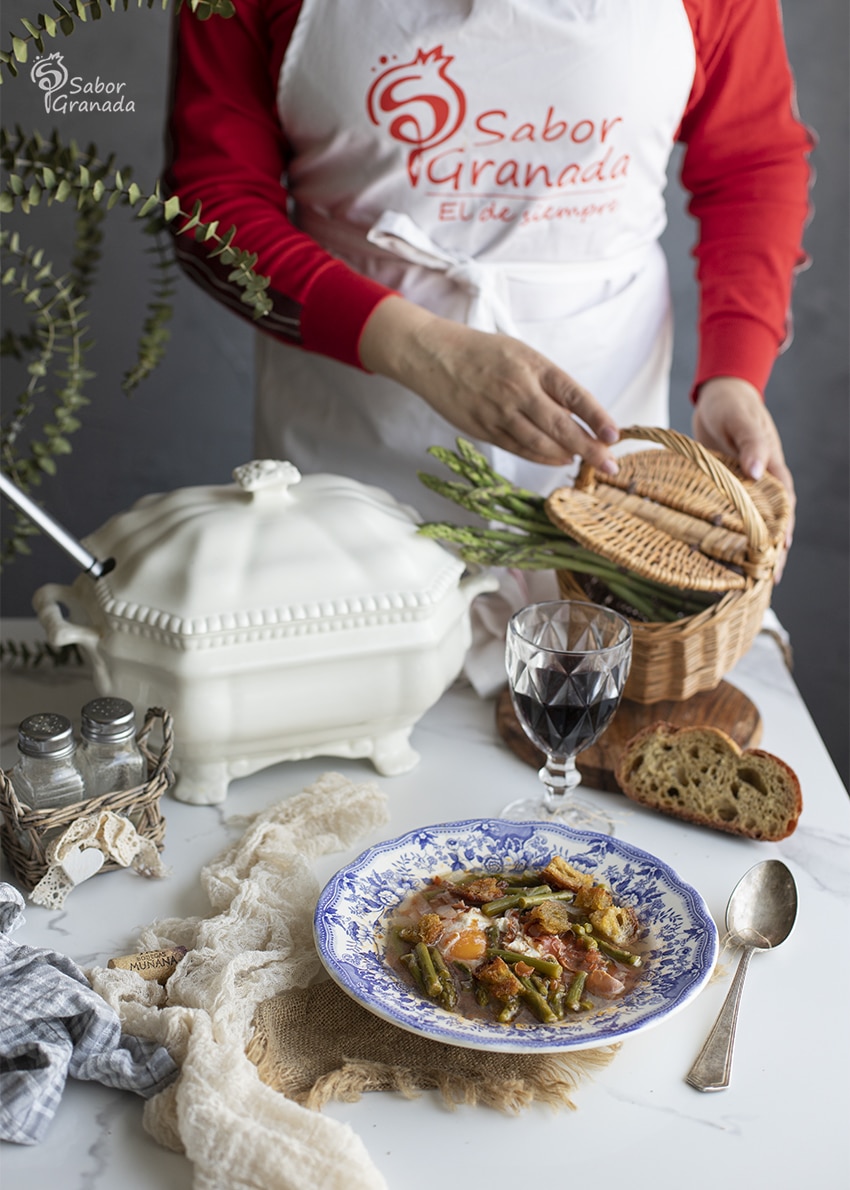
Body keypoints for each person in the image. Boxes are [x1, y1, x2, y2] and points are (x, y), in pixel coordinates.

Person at [164, 0, 812, 608]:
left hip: (615, 471)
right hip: (348, 450)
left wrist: (735, 374)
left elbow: (751, 162)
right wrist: (419, 349)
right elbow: (211, 198)